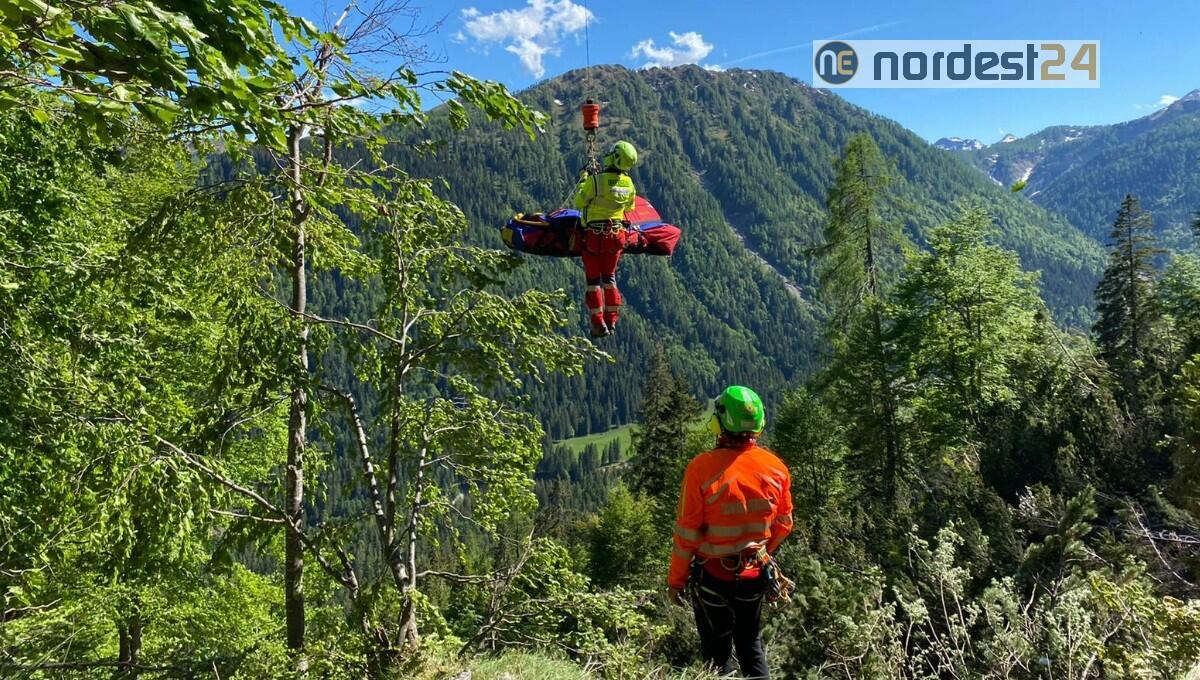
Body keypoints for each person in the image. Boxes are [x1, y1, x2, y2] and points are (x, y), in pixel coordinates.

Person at [667, 386, 793, 680]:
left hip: (713, 576)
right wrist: (759, 551)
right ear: (758, 425)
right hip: (753, 574)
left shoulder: (700, 469)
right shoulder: (776, 469)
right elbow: (784, 524)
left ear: (721, 423)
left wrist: (676, 580)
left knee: (715, 653)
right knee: (751, 645)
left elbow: (687, 533)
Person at [573, 141, 638, 337]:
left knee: (593, 281)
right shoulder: (629, 184)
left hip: (594, 237)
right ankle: (611, 319)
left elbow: (579, 202)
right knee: (610, 278)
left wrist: (585, 179)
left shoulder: (595, 181)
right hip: (616, 237)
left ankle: (598, 320)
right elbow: (629, 209)